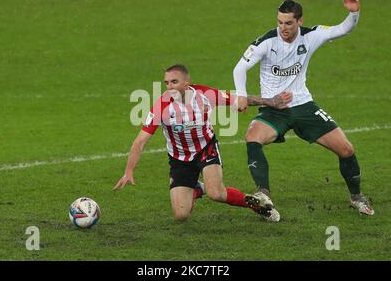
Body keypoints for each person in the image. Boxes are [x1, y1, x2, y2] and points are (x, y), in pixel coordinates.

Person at [233, 0, 374, 222]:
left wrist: (353, 12)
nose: (283, 28)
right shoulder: (266, 41)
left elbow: (343, 29)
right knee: (252, 137)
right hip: (274, 108)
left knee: (346, 149)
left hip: (304, 105)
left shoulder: (311, 36)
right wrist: (240, 94)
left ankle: (357, 197)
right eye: (279, 22)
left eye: (288, 23)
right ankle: (263, 194)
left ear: (299, 21)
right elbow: (239, 69)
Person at [114, 64, 292, 221]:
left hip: (206, 149)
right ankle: (197, 187)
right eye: (166, 83)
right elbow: (140, 142)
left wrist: (271, 102)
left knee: (216, 193)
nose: (169, 87)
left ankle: (257, 206)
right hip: (179, 159)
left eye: (174, 82)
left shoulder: (205, 95)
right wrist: (128, 171)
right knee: (181, 216)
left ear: (186, 82)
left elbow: (240, 99)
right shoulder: (161, 106)